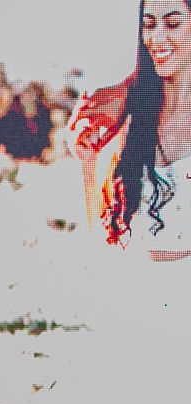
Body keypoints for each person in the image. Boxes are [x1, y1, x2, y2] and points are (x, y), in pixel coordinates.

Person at [73, 0, 191, 258]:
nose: (157, 38)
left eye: (173, 23)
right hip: (131, 284)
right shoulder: (132, 118)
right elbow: (105, 238)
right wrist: (88, 163)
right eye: (148, 25)